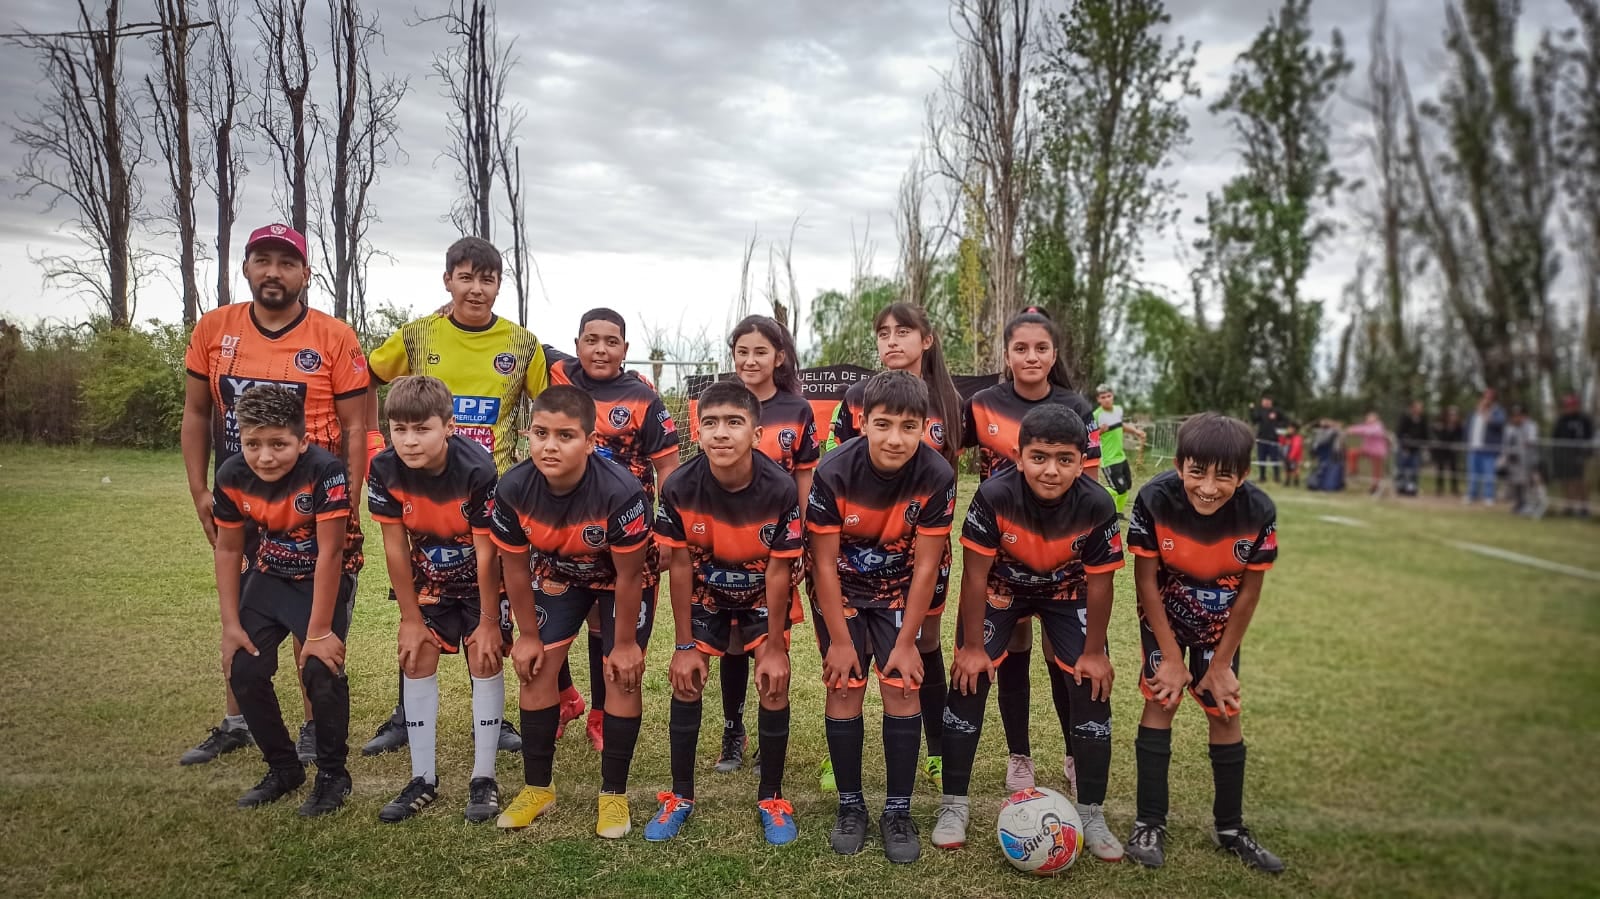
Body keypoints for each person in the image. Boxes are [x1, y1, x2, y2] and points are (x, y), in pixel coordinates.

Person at [180, 222, 368, 767]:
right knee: (243, 607)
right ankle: (238, 720)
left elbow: (356, 426)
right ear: (245, 267)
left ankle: (314, 727)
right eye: (263, 260)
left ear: (306, 275)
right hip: (244, 498)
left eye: (287, 263)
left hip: (314, 500)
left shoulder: (334, 336)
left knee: (318, 612)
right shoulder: (215, 328)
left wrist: (349, 499)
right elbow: (196, 413)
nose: (273, 272)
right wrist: (198, 489)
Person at [361, 236, 546, 759]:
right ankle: (405, 714)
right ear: (447, 280)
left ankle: (494, 715)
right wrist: (370, 441)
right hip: (421, 492)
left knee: (493, 604)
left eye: (486, 279)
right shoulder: (419, 334)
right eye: (465, 277)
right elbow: (365, 377)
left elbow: (549, 404)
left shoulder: (522, 344)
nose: (476, 288)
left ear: (498, 285)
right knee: (420, 594)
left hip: (496, 492)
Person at [932, 405, 1125, 862]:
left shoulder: (1097, 505)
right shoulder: (994, 496)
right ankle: (953, 806)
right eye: (1039, 457)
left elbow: (1101, 584)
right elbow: (975, 577)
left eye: (1064, 459)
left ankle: (1091, 813)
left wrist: (1094, 652)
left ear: (1082, 461)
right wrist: (972, 647)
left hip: (1066, 591)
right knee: (968, 679)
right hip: (1003, 589)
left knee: (1091, 685)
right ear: (1019, 456)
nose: (1051, 470)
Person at [489, 386, 654, 839]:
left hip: (618, 580)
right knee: (536, 668)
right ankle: (538, 788)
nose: (550, 445)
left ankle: (613, 796)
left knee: (621, 674)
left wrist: (623, 645)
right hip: (559, 572)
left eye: (565, 435)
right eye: (540, 433)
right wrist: (526, 634)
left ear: (590, 440)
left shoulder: (621, 491)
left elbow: (629, 577)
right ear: (527, 435)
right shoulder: (513, 487)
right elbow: (516, 568)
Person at [1124, 413, 1283, 874]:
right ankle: (1149, 823)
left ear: (1244, 475)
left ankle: (1230, 828)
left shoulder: (1259, 511)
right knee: (1161, 700)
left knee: (1224, 708)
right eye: (1197, 472)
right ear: (1179, 465)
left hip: (1220, 626)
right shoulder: (1154, 499)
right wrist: (1171, 658)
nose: (1208, 487)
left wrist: (1222, 663)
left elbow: (1250, 592)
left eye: (1224, 476)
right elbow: (1146, 583)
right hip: (1166, 618)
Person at [809, 370, 957, 864]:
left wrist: (909, 639)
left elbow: (926, 564)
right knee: (844, 686)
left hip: (898, 594)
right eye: (884, 424)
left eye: (909, 426)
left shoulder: (937, 476)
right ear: (863, 422)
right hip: (844, 592)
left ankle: (898, 810)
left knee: (900, 687)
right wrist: (839, 639)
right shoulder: (832, 472)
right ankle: (850, 806)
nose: (896, 438)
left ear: (923, 426)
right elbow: (823, 564)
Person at [647, 380, 803, 845]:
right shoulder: (678, 486)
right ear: (697, 431)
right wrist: (682, 645)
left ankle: (772, 798)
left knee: (774, 684)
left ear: (756, 434)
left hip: (760, 594)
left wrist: (775, 647)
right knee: (688, 679)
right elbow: (677, 566)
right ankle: (680, 796)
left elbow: (779, 574)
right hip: (704, 593)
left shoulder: (779, 488)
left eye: (734, 423)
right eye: (710, 423)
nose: (721, 433)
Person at [961, 307, 1101, 796]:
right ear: (1006, 354)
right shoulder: (980, 404)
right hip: (1001, 558)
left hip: (1064, 561)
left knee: (1063, 657)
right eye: (1020, 348)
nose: (1031, 356)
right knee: (1012, 651)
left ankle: (1072, 751)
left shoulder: (1078, 409)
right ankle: (1019, 754)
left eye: (1041, 348)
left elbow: (1092, 486)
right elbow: (937, 454)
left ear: (1054, 354)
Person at [823, 302, 962, 793]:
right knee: (848, 664)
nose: (892, 341)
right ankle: (841, 759)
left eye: (904, 331)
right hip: (854, 550)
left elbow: (949, 475)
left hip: (919, 550)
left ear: (927, 339)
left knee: (922, 646)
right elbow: (837, 465)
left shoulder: (949, 401)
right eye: (883, 333)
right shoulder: (855, 401)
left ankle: (937, 748)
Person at [212, 385, 360, 816]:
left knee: (321, 667)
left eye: (278, 444)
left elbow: (332, 551)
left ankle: (333, 774)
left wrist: (318, 633)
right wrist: (230, 626)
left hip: (323, 576)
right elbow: (227, 549)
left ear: (303, 441)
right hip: (270, 573)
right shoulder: (231, 475)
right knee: (243, 667)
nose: (265, 456)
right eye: (253, 444)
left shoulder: (325, 471)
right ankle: (283, 767)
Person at [366, 376, 509, 824]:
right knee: (415, 656)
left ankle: (484, 777)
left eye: (421, 429)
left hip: (482, 581)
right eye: (399, 429)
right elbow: (394, 545)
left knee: (485, 658)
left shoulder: (477, 469)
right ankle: (422, 778)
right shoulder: (384, 469)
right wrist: (410, 617)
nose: (409, 441)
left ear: (448, 426)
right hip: (430, 578)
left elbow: (488, 552)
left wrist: (488, 621)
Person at [546, 308, 680, 753]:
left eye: (611, 341)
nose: (600, 349)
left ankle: (602, 714)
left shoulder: (643, 398)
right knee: (549, 629)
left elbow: (669, 470)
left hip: (627, 538)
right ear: (577, 343)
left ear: (625, 350)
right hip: (562, 534)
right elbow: (511, 340)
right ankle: (566, 697)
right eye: (591, 339)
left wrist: (665, 531)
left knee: (611, 632)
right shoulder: (556, 373)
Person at [707, 315, 819, 775]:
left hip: (778, 546)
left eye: (760, 351)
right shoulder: (718, 402)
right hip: (725, 544)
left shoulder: (797, 410)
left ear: (780, 356)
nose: (750, 360)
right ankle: (733, 730)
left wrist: (803, 542)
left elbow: (804, 479)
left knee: (771, 639)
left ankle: (768, 739)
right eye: (742, 351)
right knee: (731, 641)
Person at [1093, 383, 1146, 518]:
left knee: (1126, 487)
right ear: (1098, 400)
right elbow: (1088, 436)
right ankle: (1091, 493)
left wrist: (1136, 431)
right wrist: (1099, 431)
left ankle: (1118, 513)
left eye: (1108, 396)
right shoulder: (1096, 415)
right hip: (1109, 460)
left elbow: (1120, 425)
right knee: (1119, 489)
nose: (1106, 399)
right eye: (1103, 397)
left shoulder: (1117, 410)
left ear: (1113, 396)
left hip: (1121, 457)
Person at [1550, 394, 1594, 517]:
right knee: (1566, 481)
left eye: (1571, 405)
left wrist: (1587, 453)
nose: (1569, 408)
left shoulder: (1584, 420)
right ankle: (1568, 506)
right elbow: (1555, 437)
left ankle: (1584, 508)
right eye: (1567, 406)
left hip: (1581, 455)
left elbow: (1590, 437)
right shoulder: (1561, 420)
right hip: (1564, 456)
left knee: (1580, 481)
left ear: (1577, 406)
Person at [1465, 388, 1506, 506]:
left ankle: (1489, 496)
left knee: (1489, 474)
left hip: (1489, 449)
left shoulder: (1498, 411)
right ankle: (1472, 495)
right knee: (1473, 473)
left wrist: (1485, 414)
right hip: (1474, 447)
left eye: (1489, 397)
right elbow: (1468, 426)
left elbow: (1500, 424)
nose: (1486, 399)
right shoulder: (1475, 412)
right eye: (1485, 397)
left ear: (1493, 399)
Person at [1501, 406, 1542, 517]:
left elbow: (1531, 441)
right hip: (1513, 460)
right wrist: (1505, 456)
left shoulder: (1531, 426)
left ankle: (1530, 505)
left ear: (1524, 415)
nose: (1516, 418)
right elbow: (1506, 442)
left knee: (1527, 483)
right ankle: (1518, 504)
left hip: (1527, 459)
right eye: (1514, 416)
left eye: (1518, 415)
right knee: (1515, 483)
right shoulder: (1510, 427)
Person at [1345, 412, 1390, 496]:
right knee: (1352, 453)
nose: (1368, 419)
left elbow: (1369, 432)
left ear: (1376, 419)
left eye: (1371, 418)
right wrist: (1350, 429)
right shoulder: (1366, 426)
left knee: (1376, 470)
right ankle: (1353, 471)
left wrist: (1354, 431)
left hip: (1377, 452)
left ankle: (1375, 487)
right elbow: (1360, 428)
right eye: (1368, 418)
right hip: (1367, 450)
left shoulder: (1379, 426)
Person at [1395, 401, 1428, 497]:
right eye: (1418, 407)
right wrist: (1405, 446)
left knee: (1414, 470)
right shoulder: (1405, 418)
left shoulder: (1422, 419)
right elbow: (1399, 433)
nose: (1419, 410)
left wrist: (1424, 445)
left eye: (1421, 408)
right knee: (1402, 468)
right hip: (1405, 448)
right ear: (1413, 408)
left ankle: (1411, 488)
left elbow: (1425, 434)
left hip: (1416, 449)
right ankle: (1401, 487)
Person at [1248, 395, 1283, 484]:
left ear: (1270, 402)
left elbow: (1285, 421)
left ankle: (1277, 477)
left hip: (1273, 440)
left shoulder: (1276, 411)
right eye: (1264, 401)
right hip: (1262, 440)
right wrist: (1251, 410)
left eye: (1267, 401)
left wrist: (1278, 428)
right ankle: (1262, 477)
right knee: (1261, 459)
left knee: (1274, 459)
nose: (1265, 402)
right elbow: (1254, 420)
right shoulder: (1260, 411)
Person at [1431, 406, 1464, 497]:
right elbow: (1435, 432)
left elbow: (1460, 437)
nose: (1453, 417)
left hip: (1452, 451)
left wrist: (1457, 444)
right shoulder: (1442, 425)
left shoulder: (1458, 426)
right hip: (1442, 450)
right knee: (1440, 469)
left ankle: (1454, 488)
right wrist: (1437, 428)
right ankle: (1439, 488)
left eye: (1454, 415)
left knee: (1454, 469)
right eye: (1451, 415)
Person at [1282, 423, 1304, 488]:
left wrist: (1291, 456)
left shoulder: (1297, 438)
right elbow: (1283, 444)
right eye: (1288, 428)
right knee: (1287, 469)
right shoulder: (1287, 437)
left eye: (1290, 428)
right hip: (1287, 456)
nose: (1289, 430)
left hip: (1294, 457)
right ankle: (1287, 482)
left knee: (1295, 470)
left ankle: (1296, 482)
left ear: (1294, 429)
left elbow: (1296, 448)